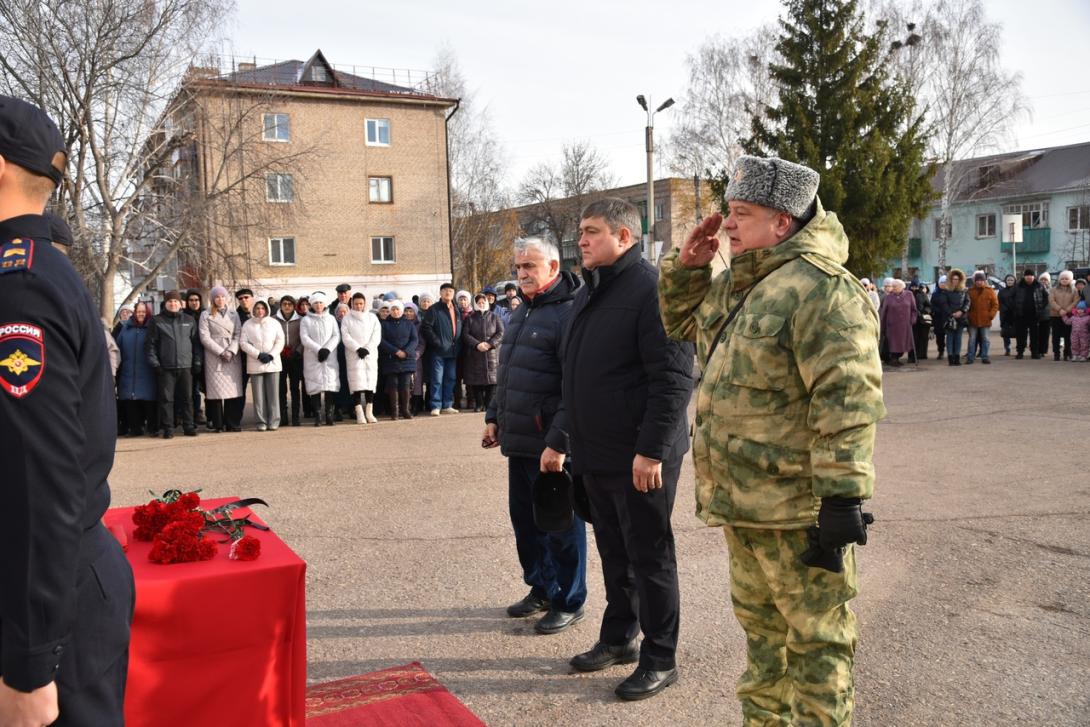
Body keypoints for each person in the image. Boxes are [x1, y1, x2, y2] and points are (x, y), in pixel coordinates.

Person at [659, 155, 883, 724]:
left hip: (798, 512)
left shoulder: (822, 289)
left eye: (741, 213)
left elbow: (848, 400)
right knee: (764, 646)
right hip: (745, 504)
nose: (727, 225)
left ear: (782, 222)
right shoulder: (745, 282)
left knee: (817, 645)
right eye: (729, 212)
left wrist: (841, 499)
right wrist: (689, 268)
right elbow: (681, 326)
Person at [0, 94, 134, 727]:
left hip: (49, 594)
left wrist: (30, 663)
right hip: (56, 580)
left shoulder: (20, 286)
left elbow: (39, 483)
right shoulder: (38, 271)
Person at [562, 198, 693, 701]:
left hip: (641, 456)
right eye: (581, 232)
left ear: (625, 236)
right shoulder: (590, 290)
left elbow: (674, 377)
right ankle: (619, 639)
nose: (582, 240)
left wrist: (652, 450)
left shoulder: (652, 289)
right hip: (597, 452)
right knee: (615, 554)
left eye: (592, 232)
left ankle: (660, 657)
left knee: (650, 556)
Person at [482, 236, 588, 637]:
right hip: (520, 441)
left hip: (551, 445)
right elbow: (508, 374)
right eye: (518, 267)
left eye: (530, 266)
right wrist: (494, 417)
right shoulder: (522, 311)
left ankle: (569, 599)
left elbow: (574, 387)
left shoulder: (568, 314)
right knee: (526, 523)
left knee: (561, 524)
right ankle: (542, 588)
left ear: (554, 268)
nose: (522, 273)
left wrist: (559, 442)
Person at [146, 290, 201, 437]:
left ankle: (189, 426)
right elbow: (150, 345)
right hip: (165, 368)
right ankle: (168, 428)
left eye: (176, 301)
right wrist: (155, 364)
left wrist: (197, 361)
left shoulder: (189, 320)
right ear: (166, 303)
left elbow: (196, 343)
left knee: (187, 398)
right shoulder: (157, 321)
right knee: (166, 400)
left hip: (186, 366)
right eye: (170, 301)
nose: (173, 303)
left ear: (180, 303)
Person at [199, 286, 245, 431]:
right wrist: (221, 351)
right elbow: (204, 337)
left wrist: (231, 350)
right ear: (213, 299)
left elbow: (238, 334)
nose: (220, 299)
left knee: (232, 391)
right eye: (217, 297)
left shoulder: (234, 314)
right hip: (214, 355)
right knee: (216, 392)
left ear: (227, 298)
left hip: (232, 355)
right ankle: (218, 423)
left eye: (223, 296)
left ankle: (231, 423)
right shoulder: (205, 315)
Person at [239, 300, 284, 431]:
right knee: (258, 396)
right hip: (255, 363)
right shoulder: (247, 324)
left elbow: (280, 341)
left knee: (273, 395)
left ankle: (274, 420)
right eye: (257, 308)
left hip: (272, 363)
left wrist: (271, 355)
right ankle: (261, 421)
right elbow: (243, 343)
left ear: (266, 309)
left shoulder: (274, 323)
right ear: (253, 310)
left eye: (262, 308)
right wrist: (258, 354)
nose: (260, 311)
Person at [115, 301, 158, 436]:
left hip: (148, 370)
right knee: (130, 400)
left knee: (149, 399)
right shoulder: (125, 328)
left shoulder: (153, 327)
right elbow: (118, 347)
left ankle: (152, 427)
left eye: (143, 312)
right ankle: (135, 428)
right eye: (138, 311)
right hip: (129, 370)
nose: (141, 314)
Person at [421, 282, 462, 415]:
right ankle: (436, 405)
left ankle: (447, 404)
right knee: (437, 379)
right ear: (440, 293)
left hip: (453, 350)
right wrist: (437, 342)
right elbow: (426, 328)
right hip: (438, 351)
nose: (448, 293)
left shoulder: (456, 310)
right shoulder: (434, 309)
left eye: (450, 291)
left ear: (453, 293)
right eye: (445, 290)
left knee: (450, 378)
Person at [300, 291, 341, 426]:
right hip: (313, 357)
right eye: (316, 302)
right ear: (312, 304)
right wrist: (318, 349)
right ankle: (318, 415)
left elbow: (336, 336)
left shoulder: (331, 318)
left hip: (329, 356)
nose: (318, 305)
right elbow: (305, 338)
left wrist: (327, 349)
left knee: (329, 386)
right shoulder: (306, 320)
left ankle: (329, 415)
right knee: (315, 386)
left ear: (325, 304)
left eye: (321, 302)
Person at [341, 292, 381, 424]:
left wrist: (367, 349)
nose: (359, 306)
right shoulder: (347, 318)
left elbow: (376, 335)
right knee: (356, 384)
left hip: (369, 354)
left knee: (370, 384)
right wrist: (358, 348)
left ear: (365, 304)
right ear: (352, 304)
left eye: (361, 303)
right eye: (356, 303)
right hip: (354, 354)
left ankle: (369, 412)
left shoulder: (372, 317)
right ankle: (359, 413)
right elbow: (346, 336)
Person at [461, 293, 505, 412]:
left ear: (487, 303)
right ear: (475, 304)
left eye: (483, 302)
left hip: (492, 354)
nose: (481, 304)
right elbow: (465, 335)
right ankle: (479, 404)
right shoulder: (470, 318)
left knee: (492, 381)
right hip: (475, 354)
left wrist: (490, 344)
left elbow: (501, 333)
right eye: (479, 303)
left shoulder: (495, 317)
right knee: (476, 381)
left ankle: (489, 404)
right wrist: (477, 344)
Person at [378, 299, 418, 420]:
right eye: (393, 309)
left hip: (406, 359)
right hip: (391, 359)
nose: (395, 312)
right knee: (393, 385)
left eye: (397, 309)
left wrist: (405, 352)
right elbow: (381, 341)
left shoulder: (409, 324)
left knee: (405, 385)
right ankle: (394, 411)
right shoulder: (384, 324)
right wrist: (395, 351)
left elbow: (414, 340)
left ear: (401, 311)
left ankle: (406, 410)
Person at [274, 295, 305, 426]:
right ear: (280, 306)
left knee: (294, 388)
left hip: (295, 357)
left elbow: (304, 337)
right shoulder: (274, 320)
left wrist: (298, 351)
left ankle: (296, 416)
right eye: (284, 304)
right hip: (279, 357)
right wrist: (278, 350)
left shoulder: (301, 320)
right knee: (281, 388)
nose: (287, 306)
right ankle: (283, 415)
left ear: (294, 306)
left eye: (290, 304)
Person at [934, 268, 970, 365]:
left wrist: (961, 311)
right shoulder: (945, 291)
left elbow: (967, 302)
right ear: (950, 279)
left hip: (960, 318)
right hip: (949, 318)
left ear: (960, 280)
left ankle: (957, 358)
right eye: (953, 279)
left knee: (958, 338)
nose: (955, 281)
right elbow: (943, 303)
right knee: (950, 338)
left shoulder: (964, 290)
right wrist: (951, 313)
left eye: (957, 279)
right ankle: (950, 358)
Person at [878, 279, 917, 366]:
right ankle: (893, 359)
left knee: (903, 343)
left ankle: (896, 358)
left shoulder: (909, 295)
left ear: (901, 287)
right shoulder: (888, 297)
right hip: (892, 325)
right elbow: (884, 312)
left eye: (895, 286)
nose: (893, 288)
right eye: (892, 286)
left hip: (905, 325)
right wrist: (882, 325)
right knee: (893, 343)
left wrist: (913, 319)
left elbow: (914, 310)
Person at [183, 289, 206, 425]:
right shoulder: (183, 316)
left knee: (208, 389)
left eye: (196, 300)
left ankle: (210, 415)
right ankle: (195, 412)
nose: (194, 302)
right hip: (188, 357)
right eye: (191, 300)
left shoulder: (205, 314)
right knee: (192, 389)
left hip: (206, 356)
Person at [966, 271, 999, 364]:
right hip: (972, 320)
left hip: (985, 320)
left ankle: (985, 356)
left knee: (985, 339)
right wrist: (968, 316)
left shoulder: (990, 291)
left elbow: (995, 305)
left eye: (981, 280)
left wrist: (991, 315)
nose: (979, 282)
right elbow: (966, 305)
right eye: (977, 280)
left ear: (984, 281)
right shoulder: (970, 291)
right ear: (974, 281)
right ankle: (970, 357)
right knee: (972, 339)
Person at [1013, 269, 1047, 359]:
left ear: (1034, 276)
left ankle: (1034, 352)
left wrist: (1041, 307)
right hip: (1021, 315)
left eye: (1031, 275)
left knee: (1035, 335)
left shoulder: (1039, 286)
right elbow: (1011, 298)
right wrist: (1015, 309)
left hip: (1035, 315)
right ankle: (1020, 352)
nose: (1029, 277)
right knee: (1021, 335)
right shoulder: (1018, 286)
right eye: (1027, 275)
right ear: (1024, 276)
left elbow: (1046, 298)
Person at [1048, 270, 1078, 361]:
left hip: (1068, 316)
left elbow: (1076, 301)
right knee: (1056, 336)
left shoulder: (1074, 290)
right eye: (1062, 278)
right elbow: (1051, 301)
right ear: (1059, 279)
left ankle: (1067, 353)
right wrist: (1059, 309)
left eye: (1066, 278)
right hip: (1055, 315)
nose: (1064, 280)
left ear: (1070, 280)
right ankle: (1056, 353)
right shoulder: (1053, 289)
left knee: (1068, 336)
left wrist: (1067, 310)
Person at [909, 279, 931, 360]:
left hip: (922, 319)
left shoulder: (922, 295)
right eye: (913, 286)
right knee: (913, 338)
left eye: (916, 286)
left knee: (923, 337)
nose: (914, 288)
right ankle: (912, 356)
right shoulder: (908, 294)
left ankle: (922, 354)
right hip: (911, 319)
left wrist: (925, 311)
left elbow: (928, 305)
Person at [998, 274, 1017, 355]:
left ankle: (1019, 348)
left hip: (1015, 314)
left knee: (1017, 332)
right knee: (1006, 333)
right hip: (1005, 314)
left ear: (1014, 281)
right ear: (1005, 281)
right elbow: (999, 302)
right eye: (1008, 280)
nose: (1010, 281)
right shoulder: (1002, 291)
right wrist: (1004, 309)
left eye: (1011, 280)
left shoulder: (1018, 290)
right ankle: (1007, 348)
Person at [931, 275, 948, 359]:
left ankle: (951, 352)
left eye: (945, 282)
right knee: (939, 337)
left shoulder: (950, 292)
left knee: (950, 336)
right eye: (942, 282)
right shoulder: (935, 294)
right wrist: (937, 310)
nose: (943, 284)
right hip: (938, 318)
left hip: (948, 317)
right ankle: (941, 351)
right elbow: (932, 305)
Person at [1036, 272, 1052, 357]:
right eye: (1042, 279)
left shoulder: (1051, 290)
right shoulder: (1035, 289)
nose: (1043, 281)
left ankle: (1043, 350)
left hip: (1048, 315)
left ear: (1048, 281)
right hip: (1037, 315)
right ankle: (1037, 350)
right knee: (1037, 334)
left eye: (1045, 279)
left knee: (1045, 334)